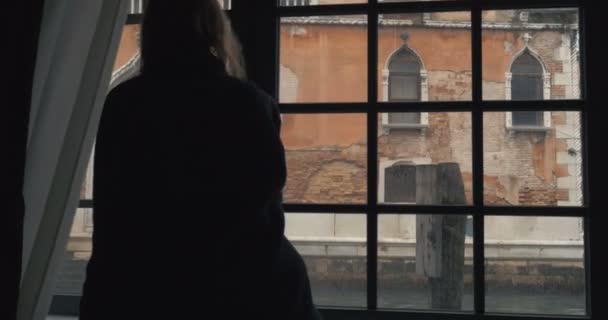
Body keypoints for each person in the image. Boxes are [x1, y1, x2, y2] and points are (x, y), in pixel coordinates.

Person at [80, 1, 321, 319]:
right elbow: (263, 217)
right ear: (214, 30)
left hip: (143, 287)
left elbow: (113, 219)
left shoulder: (122, 104)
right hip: (241, 292)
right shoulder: (250, 104)